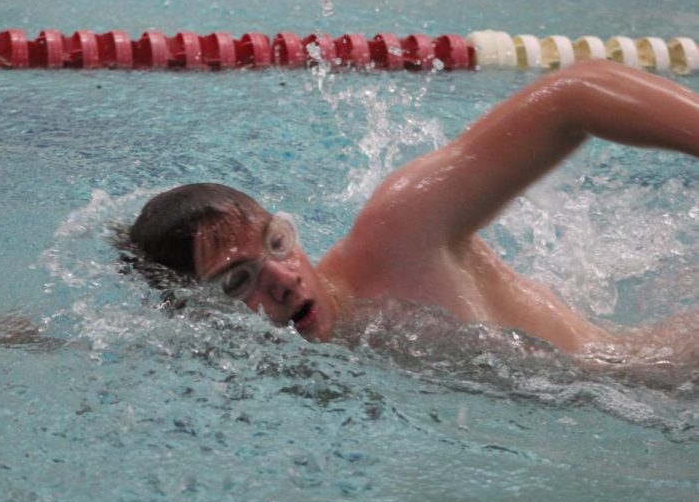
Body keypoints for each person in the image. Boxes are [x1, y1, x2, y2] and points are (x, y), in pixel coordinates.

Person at [130, 60, 699, 363]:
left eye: (276, 244)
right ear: (199, 316)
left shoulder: (396, 237)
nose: (282, 279)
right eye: (237, 281)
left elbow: (576, 94)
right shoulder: (281, 358)